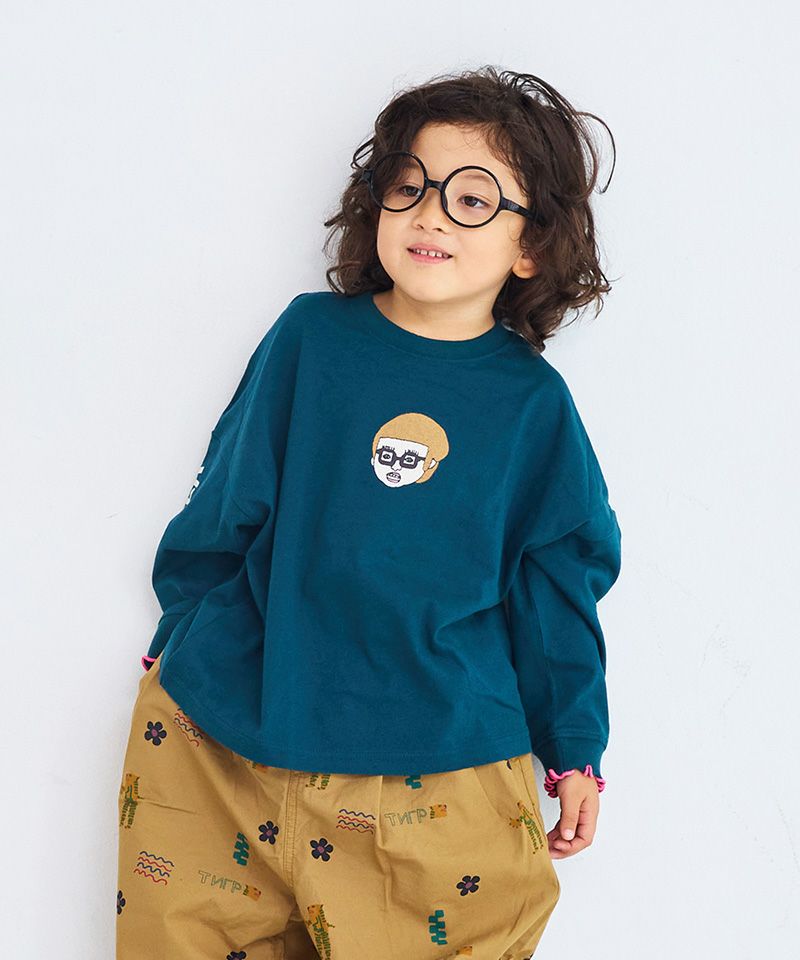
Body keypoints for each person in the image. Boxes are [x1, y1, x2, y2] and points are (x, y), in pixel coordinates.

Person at [116, 65, 622, 960]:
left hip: (436, 776)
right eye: (409, 187)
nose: (431, 215)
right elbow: (230, 496)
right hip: (225, 744)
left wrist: (573, 746)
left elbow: (556, 587)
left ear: (532, 247)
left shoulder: (532, 407)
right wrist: (181, 625)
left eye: (473, 199)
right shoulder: (310, 338)